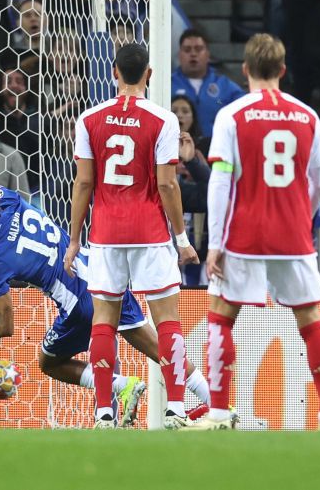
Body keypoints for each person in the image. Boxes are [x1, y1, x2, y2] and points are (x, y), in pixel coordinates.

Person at [0, 172, 212, 427]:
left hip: (79, 305)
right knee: (159, 348)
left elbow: (5, 327)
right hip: (101, 273)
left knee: (49, 363)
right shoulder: (9, 201)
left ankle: (121, 387)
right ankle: (216, 400)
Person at [188, 34, 320, 431]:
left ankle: (219, 413)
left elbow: (220, 182)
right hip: (292, 233)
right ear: (283, 70)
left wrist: (216, 243)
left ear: (245, 69)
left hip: (245, 233)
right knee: (310, 319)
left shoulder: (233, 115)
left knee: (221, 316)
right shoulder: (308, 116)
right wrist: (301, 216)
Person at [65, 43, 199, 429]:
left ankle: (104, 410)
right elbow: (168, 185)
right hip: (150, 232)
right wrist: (182, 238)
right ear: (150, 74)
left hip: (106, 234)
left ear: (113, 72)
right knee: (167, 320)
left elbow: (84, 182)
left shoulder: (89, 119)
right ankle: (175, 408)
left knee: (104, 322)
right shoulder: (163, 120)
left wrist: (75, 240)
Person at [171, 29, 244, 138]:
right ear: (179, 55)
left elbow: (245, 109)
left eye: (198, 49)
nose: (193, 54)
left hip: (215, 149)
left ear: (208, 55)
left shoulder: (224, 85)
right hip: (176, 148)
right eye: (187, 50)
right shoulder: (167, 84)